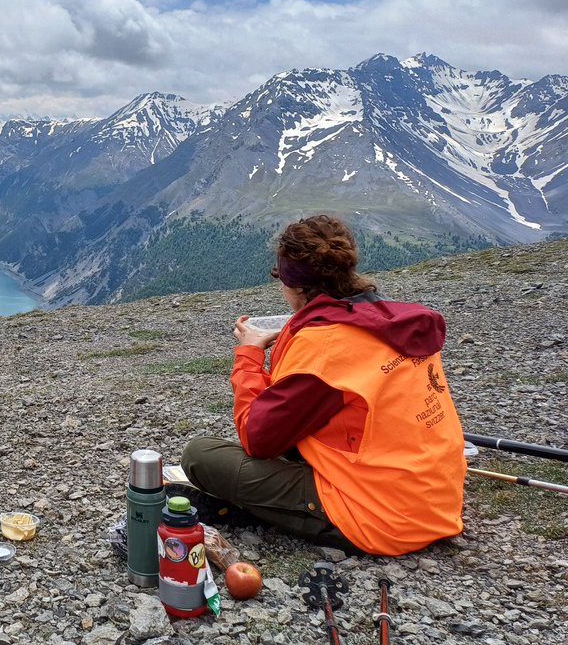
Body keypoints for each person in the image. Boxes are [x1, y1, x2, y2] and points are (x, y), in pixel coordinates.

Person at [179, 215, 466, 556]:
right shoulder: (392, 323)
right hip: (437, 500)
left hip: (381, 518)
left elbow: (257, 438)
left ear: (294, 286)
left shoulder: (327, 346)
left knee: (201, 456)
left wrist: (249, 355)